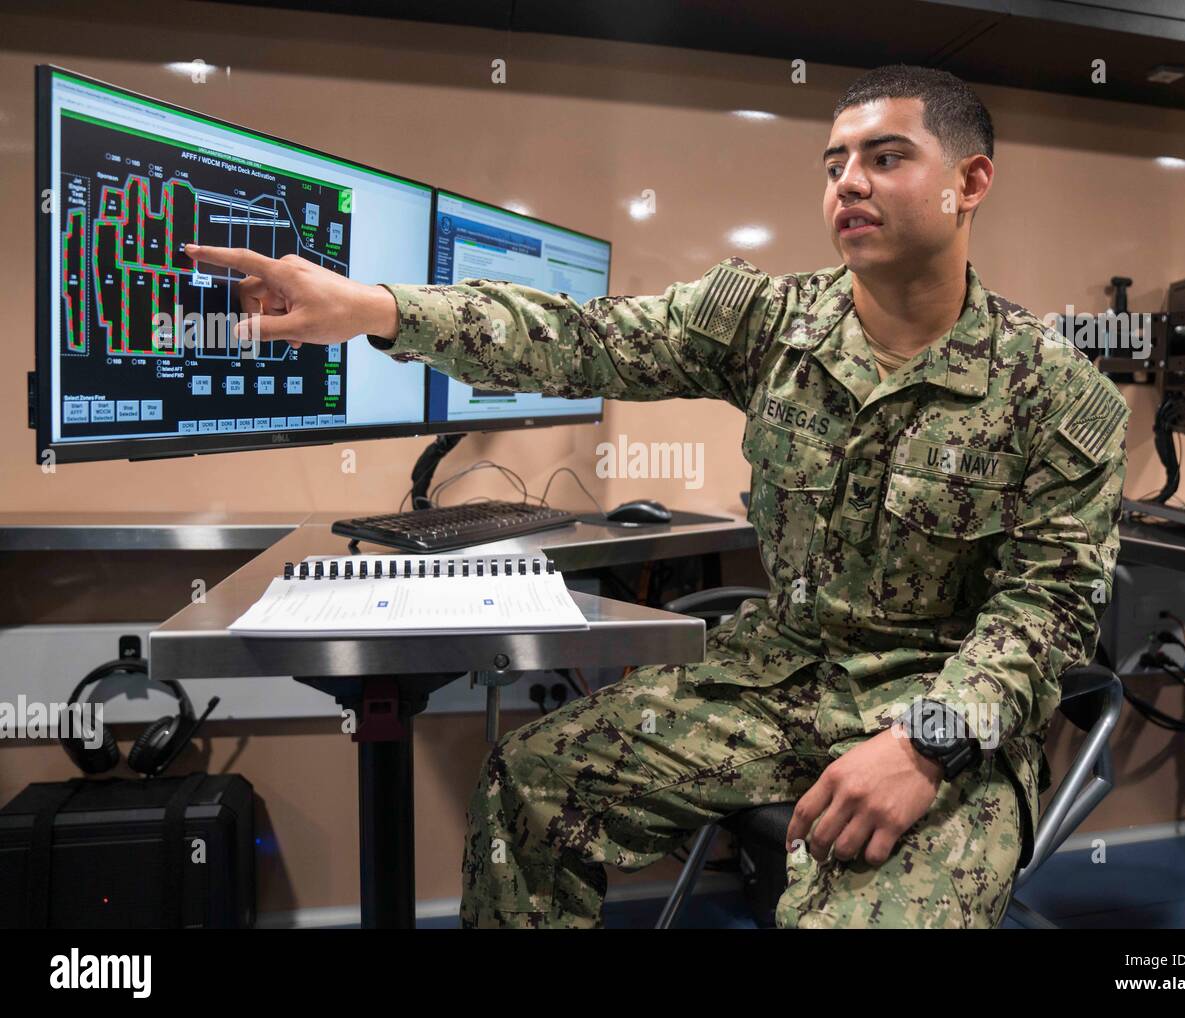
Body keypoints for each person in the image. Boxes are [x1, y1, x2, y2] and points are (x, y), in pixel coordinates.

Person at [186, 63, 1130, 928]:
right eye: (835, 161)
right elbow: (581, 335)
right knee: (533, 785)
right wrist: (374, 311)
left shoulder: (1055, 391)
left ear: (971, 183)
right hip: (778, 679)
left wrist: (923, 746)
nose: (849, 182)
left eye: (887, 158)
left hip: (941, 705)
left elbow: (1046, 610)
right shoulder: (772, 324)